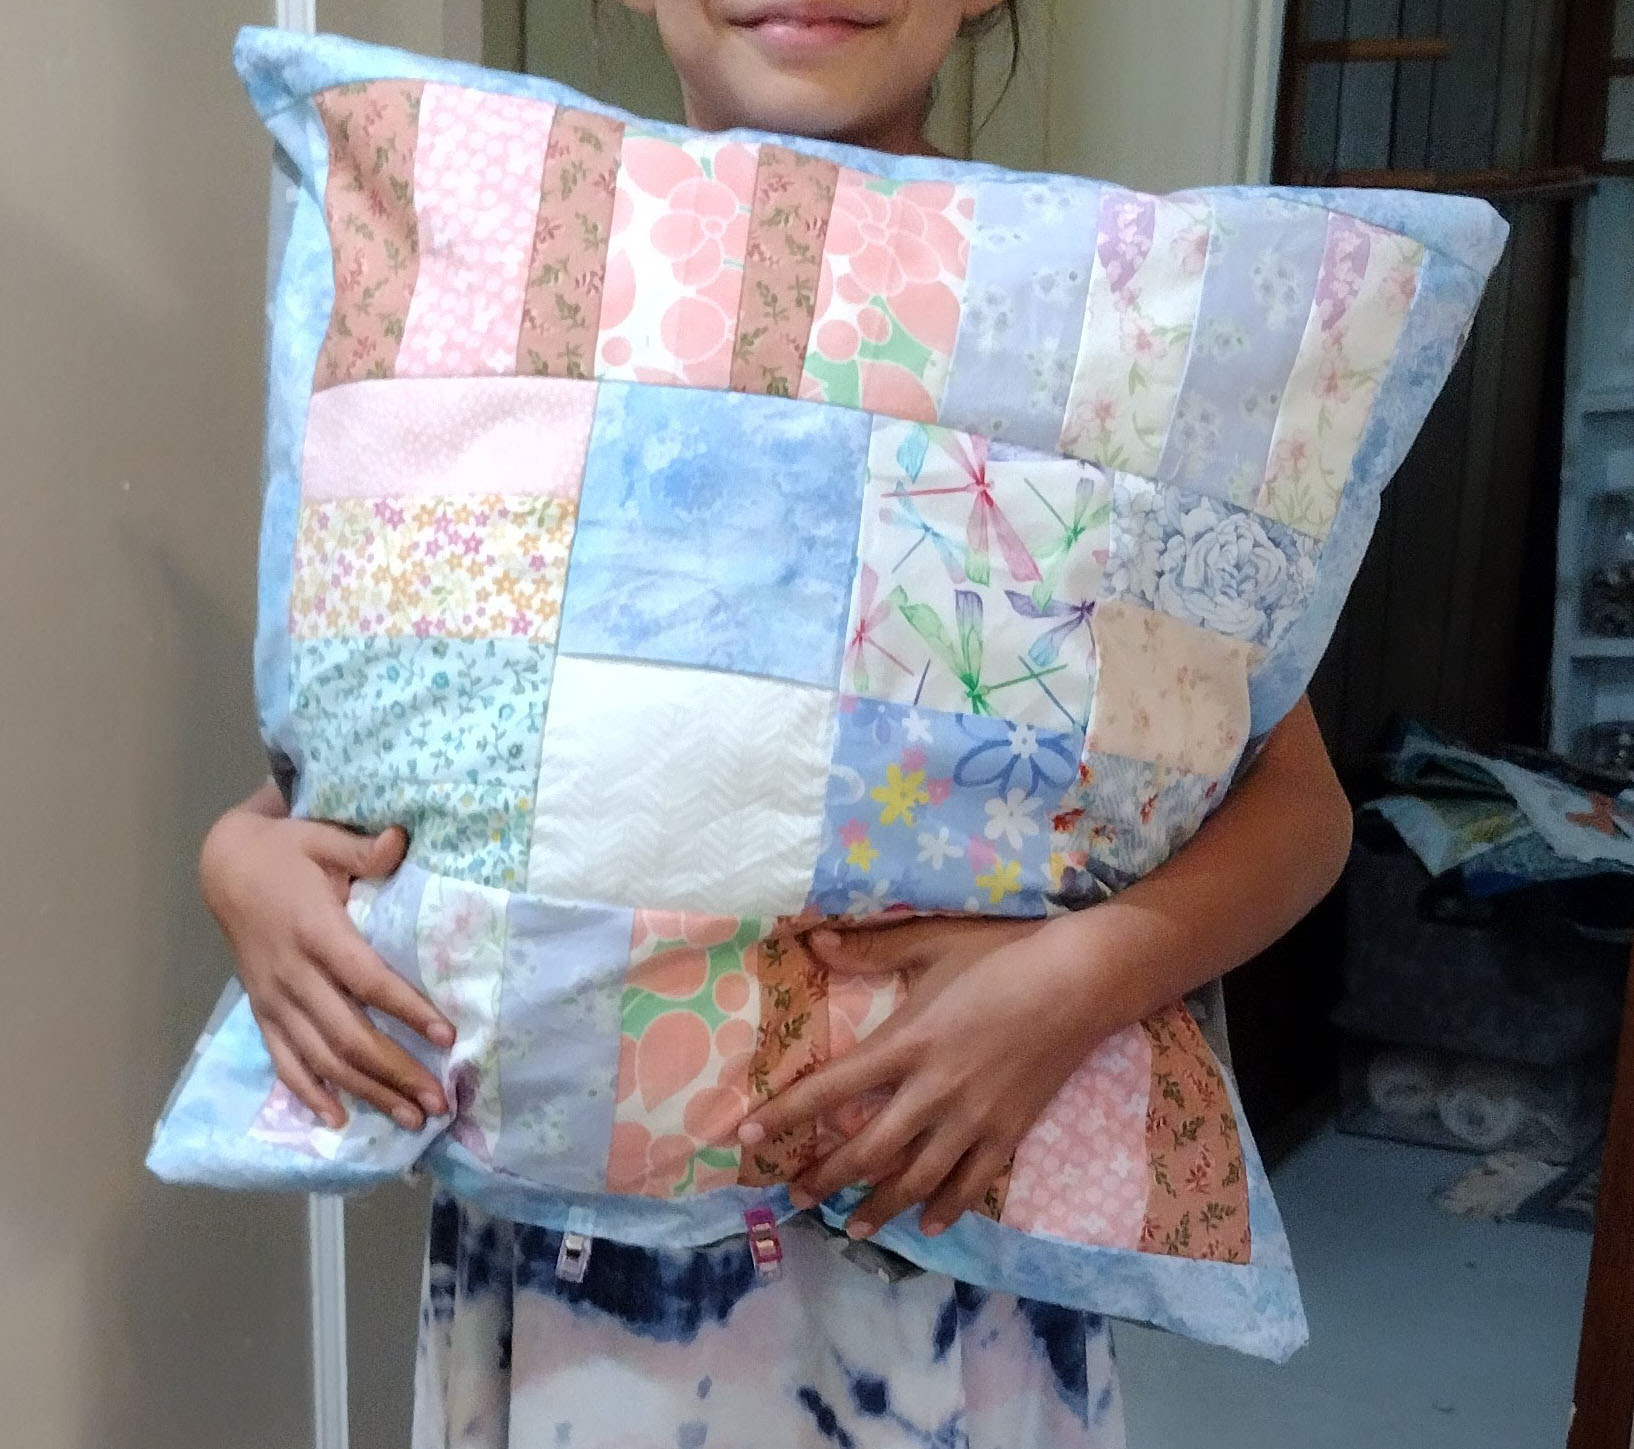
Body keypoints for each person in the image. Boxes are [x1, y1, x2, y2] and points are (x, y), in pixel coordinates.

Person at [201, 3, 1356, 1445]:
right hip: (567, 1290)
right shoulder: (505, 285)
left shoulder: (1109, 329)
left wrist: (1077, 978)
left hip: (944, 1271)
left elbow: (1298, 803)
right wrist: (244, 853)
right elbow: (424, 732)